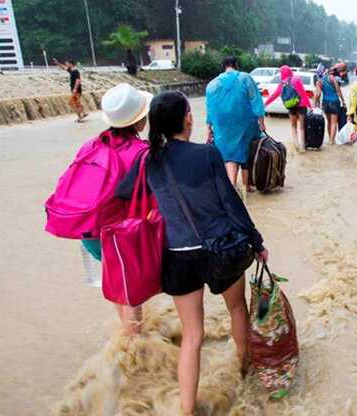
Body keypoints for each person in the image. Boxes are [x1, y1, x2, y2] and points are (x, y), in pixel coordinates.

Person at [116, 91, 269, 416]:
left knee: (193, 335)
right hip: (220, 251)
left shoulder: (148, 159)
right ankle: (242, 369)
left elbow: (123, 193)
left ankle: (187, 409)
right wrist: (256, 241)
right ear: (188, 118)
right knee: (238, 310)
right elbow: (230, 201)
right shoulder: (207, 154)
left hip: (178, 257)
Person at [79, 83, 152, 335]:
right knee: (132, 294)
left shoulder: (90, 146)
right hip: (121, 236)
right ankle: (134, 353)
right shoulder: (143, 153)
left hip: (89, 234)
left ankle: (126, 335)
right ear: (140, 123)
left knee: (116, 285)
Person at [206, 56, 266, 193]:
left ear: (223, 66)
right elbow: (256, 100)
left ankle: (231, 185)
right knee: (246, 151)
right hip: (245, 122)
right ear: (236, 65)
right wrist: (261, 121)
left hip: (222, 126)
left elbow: (210, 108)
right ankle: (246, 187)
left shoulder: (212, 84)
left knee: (229, 154)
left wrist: (209, 127)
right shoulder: (245, 78)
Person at [264, 65, 312, 153]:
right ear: (290, 71)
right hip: (301, 105)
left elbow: (274, 95)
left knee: (293, 127)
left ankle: (296, 145)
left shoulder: (282, 84)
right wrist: (310, 106)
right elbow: (303, 93)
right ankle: (302, 147)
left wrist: (265, 104)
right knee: (302, 127)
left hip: (290, 105)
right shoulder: (296, 79)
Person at [315, 63, 347, 145]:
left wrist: (316, 104)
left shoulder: (319, 81)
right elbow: (338, 91)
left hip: (325, 103)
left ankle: (330, 138)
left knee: (329, 122)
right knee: (334, 123)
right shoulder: (332, 78)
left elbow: (317, 95)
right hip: (334, 102)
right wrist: (343, 101)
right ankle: (332, 141)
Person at [53, 58, 88, 122]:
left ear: (71, 64)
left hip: (76, 90)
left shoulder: (75, 71)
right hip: (74, 90)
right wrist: (57, 63)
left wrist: (75, 89)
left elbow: (78, 80)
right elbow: (63, 67)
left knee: (72, 103)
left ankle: (82, 114)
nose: (66, 65)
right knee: (76, 103)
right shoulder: (71, 70)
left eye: (67, 63)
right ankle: (82, 115)